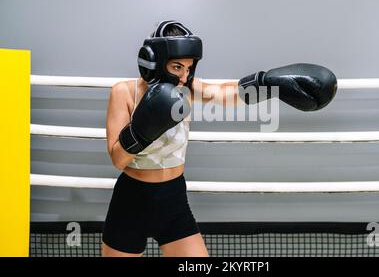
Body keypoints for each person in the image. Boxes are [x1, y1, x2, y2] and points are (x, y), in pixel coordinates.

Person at [102, 20, 338, 257]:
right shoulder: (124, 92)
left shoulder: (188, 88)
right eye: (176, 67)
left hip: (172, 198)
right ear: (153, 62)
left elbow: (226, 93)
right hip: (131, 202)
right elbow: (118, 159)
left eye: (189, 68)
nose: (184, 76)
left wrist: (268, 83)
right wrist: (142, 130)